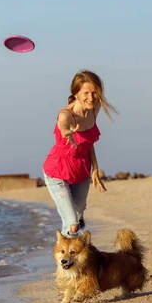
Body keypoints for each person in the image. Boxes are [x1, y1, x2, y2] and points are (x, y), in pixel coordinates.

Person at [42, 70, 118, 237]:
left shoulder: (94, 108)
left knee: (78, 215)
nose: (91, 98)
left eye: (95, 93)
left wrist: (95, 169)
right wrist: (66, 132)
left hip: (82, 171)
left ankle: (70, 256)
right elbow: (63, 124)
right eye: (86, 93)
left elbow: (88, 143)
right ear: (76, 93)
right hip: (58, 172)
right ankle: (65, 261)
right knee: (72, 224)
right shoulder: (66, 114)